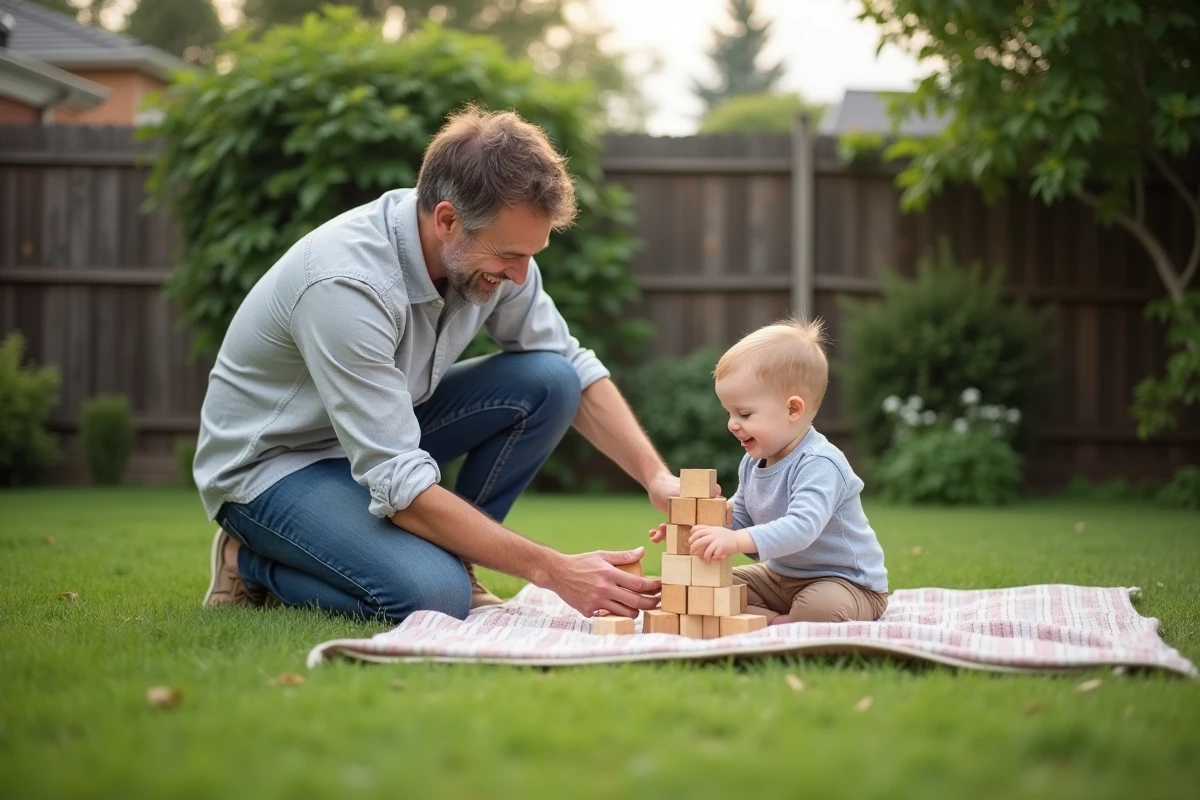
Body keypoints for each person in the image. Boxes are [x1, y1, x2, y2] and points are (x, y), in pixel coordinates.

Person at [197, 106, 678, 623]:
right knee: (435, 597)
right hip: (273, 467)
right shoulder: (347, 286)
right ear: (447, 220)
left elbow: (572, 366)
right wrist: (554, 570)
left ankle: (456, 560)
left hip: (376, 438)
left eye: (530, 255)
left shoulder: (491, 258)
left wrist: (656, 477)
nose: (520, 276)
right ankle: (251, 562)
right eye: (509, 255)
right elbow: (398, 480)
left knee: (551, 380)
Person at [649, 318, 888, 624]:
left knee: (820, 609)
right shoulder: (752, 462)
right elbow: (741, 517)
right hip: (780, 577)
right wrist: (692, 527)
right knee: (708, 584)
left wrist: (735, 541)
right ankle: (779, 620)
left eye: (744, 413)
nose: (732, 424)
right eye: (729, 413)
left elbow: (802, 527)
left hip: (845, 583)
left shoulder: (820, 463)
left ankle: (774, 622)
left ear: (793, 409)